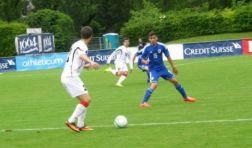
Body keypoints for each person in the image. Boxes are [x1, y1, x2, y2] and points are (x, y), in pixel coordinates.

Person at [140, 31, 196, 107]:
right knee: (154, 85)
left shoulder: (162, 46)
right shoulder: (146, 48)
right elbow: (141, 58)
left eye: (154, 38)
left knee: (175, 81)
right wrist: (145, 61)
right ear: (149, 39)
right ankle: (143, 102)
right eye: (151, 38)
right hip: (153, 70)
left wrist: (173, 67)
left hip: (162, 68)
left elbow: (168, 57)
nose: (153, 39)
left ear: (157, 38)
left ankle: (185, 98)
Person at [61, 26, 100, 132]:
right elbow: (82, 56)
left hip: (69, 75)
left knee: (85, 100)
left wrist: (86, 66)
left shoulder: (77, 44)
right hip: (71, 76)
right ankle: (71, 121)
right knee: (87, 99)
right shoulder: (82, 46)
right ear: (91, 36)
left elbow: (76, 60)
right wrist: (91, 62)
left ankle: (81, 125)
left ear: (81, 34)